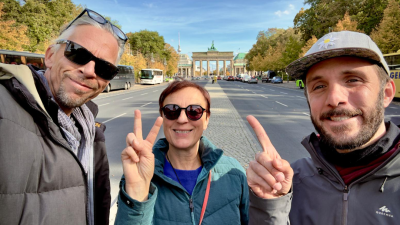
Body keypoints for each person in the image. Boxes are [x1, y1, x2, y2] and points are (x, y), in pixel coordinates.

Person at [246, 31, 400, 225]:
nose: (334, 99)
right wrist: (270, 208)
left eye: (353, 80)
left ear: (386, 93)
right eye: (319, 86)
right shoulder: (291, 181)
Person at [0, 8, 127, 225]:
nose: (89, 71)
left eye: (105, 68)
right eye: (78, 53)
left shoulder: (90, 131)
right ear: (50, 56)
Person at [115, 80, 249, 224]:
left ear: (207, 119)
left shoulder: (234, 173)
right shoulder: (139, 174)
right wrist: (138, 194)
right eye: (171, 111)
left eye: (194, 111)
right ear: (162, 117)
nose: (182, 119)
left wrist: (268, 203)